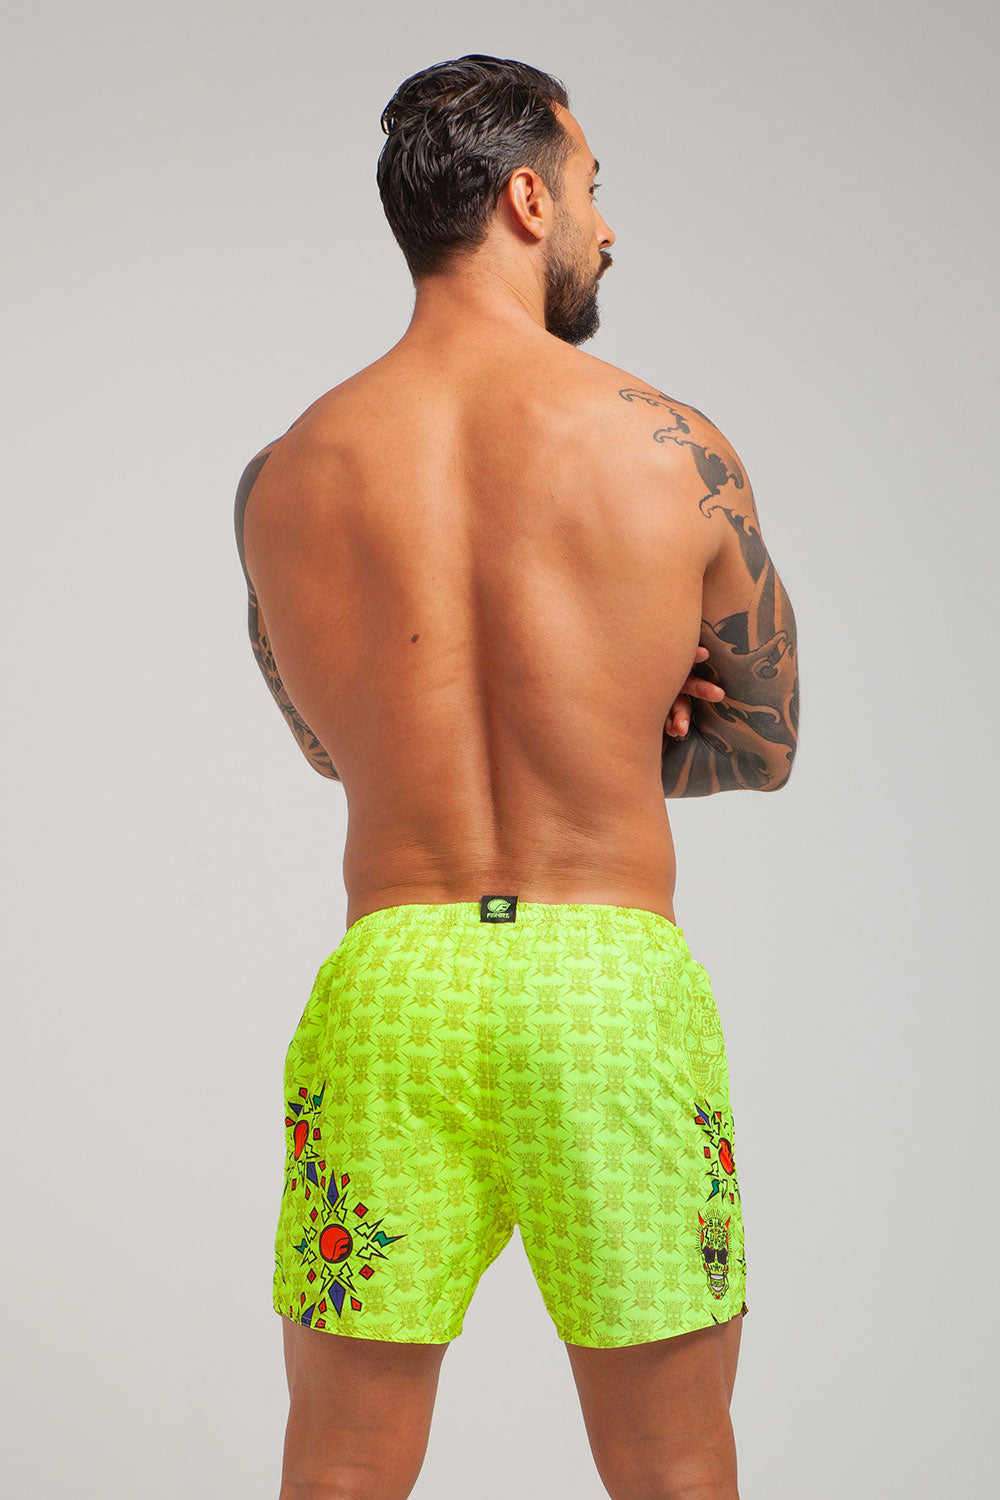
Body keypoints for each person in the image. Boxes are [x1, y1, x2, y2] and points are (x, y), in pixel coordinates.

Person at [234, 52, 798, 1500]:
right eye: (596, 190)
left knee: (340, 1459)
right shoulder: (673, 447)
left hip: (392, 991)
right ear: (528, 199)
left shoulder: (285, 475)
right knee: (675, 1459)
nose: (609, 228)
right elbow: (763, 743)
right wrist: (614, 729)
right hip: (607, 987)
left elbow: (328, 742)